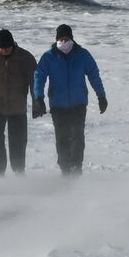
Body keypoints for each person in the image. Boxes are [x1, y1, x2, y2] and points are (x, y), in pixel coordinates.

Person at [33, 24, 108, 175]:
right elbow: (39, 76)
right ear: (57, 40)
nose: (64, 41)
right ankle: (65, 168)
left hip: (78, 103)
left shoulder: (82, 55)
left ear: (71, 38)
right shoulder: (49, 56)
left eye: (66, 38)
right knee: (62, 138)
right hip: (58, 105)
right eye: (61, 39)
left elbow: (94, 74)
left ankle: (76, 167)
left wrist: (101, 95)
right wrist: (38, 97)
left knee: (77, 136)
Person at [0, 28, 38, 176]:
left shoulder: (25, 57)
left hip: (17, 108)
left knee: (18, 142)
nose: (4, 51)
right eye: (2, 48)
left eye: (7, 48)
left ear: (13, 44)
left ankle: (19, 172)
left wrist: (37, 102)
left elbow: (35, 82)